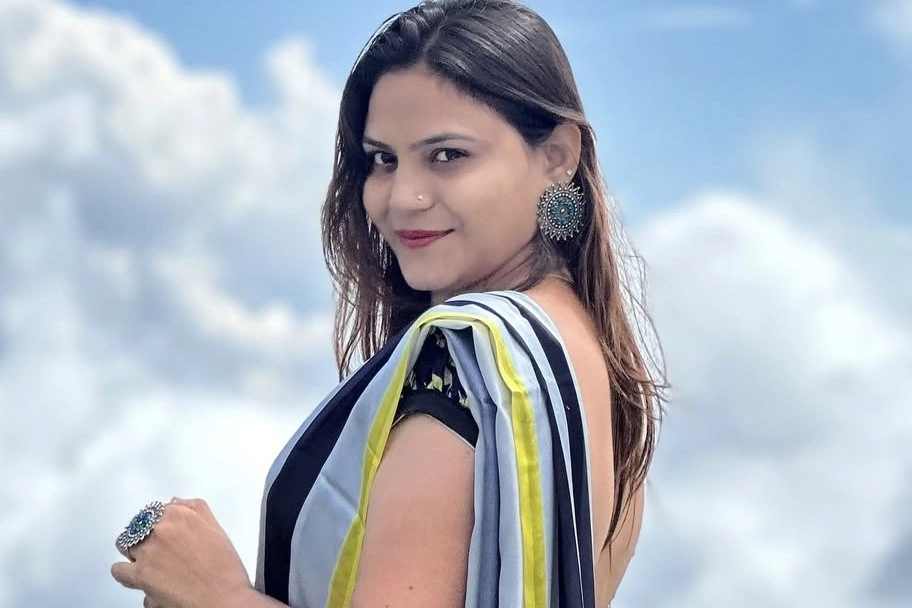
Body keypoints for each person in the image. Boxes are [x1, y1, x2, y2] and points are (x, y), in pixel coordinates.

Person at [110, 1, 666, 607]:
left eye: (447, 155)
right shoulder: (600, 367)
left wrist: (215, 594)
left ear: (557, 156)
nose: (403, 197)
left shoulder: (465, 364)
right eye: (383, 159)